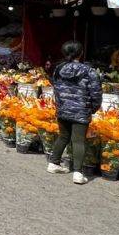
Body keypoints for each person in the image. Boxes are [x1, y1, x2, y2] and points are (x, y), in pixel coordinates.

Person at [48, 41, 101, 185]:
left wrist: (60, 106)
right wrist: (93, 109)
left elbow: (56, 89)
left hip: (63, 109)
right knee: (78, 140)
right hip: (81, 111)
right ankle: (78, 173)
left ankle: (53, 163)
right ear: (80, 53)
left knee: (63, 136)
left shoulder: (58, 69)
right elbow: (96, 93)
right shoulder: (89, 71)